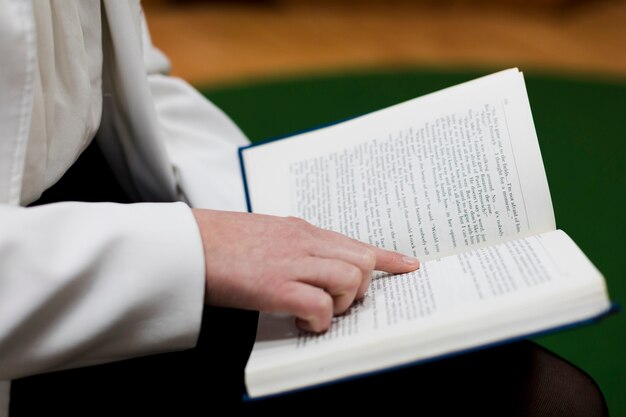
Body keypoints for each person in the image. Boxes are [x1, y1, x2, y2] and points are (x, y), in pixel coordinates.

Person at [0, 2, 609, 417]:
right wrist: (198, 249)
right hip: (63, 297)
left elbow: (123, 72)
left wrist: (273, 209)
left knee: (545, 395)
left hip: (139, 224)